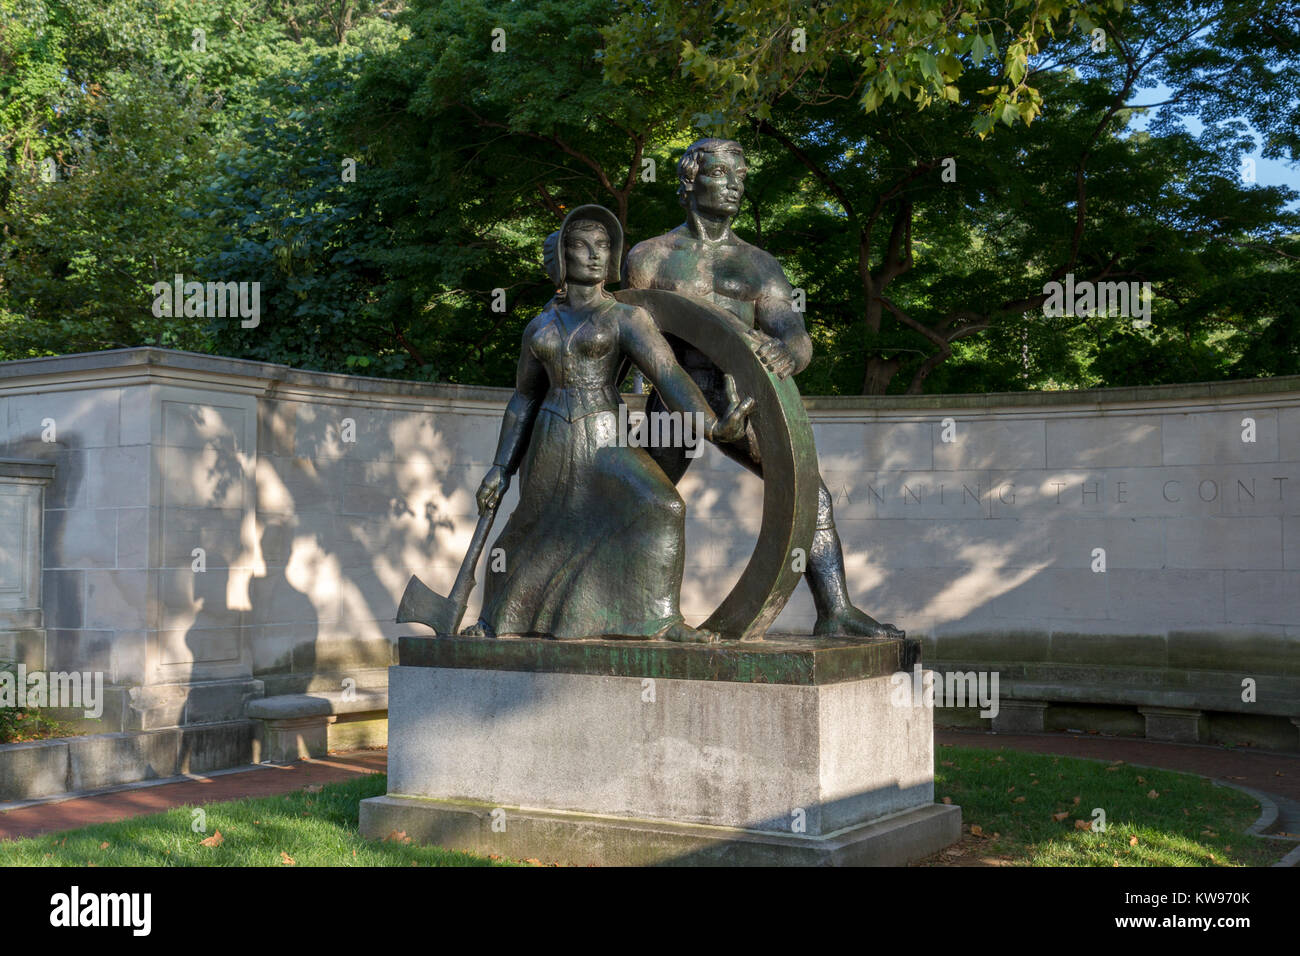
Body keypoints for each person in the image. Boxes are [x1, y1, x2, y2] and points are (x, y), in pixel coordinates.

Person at [627, 138, 903, 639]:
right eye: (721, 174)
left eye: (741, 176)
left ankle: (835, 611)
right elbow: (633, 339)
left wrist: (789, 354)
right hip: (675, 397)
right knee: (641, 499)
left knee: (810, 494)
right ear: (690, 182)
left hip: (744, 395)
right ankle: (626, 607)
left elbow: (795, 336)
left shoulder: (758, 264)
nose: (734, 185)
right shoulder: (650, 256)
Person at [462, 204, 752, 643]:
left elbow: (668, 375)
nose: (595, 254)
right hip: (551, 436)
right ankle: (495, 620)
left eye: (603, 245)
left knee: (663, 507)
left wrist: (710, 427)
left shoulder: (626, 318)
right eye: (581, 245)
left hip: (606, 436)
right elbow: (523, 398)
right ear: (562, 256)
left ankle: (662, 620)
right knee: (534, 526)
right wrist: (500, 468)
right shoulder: (539, 325)